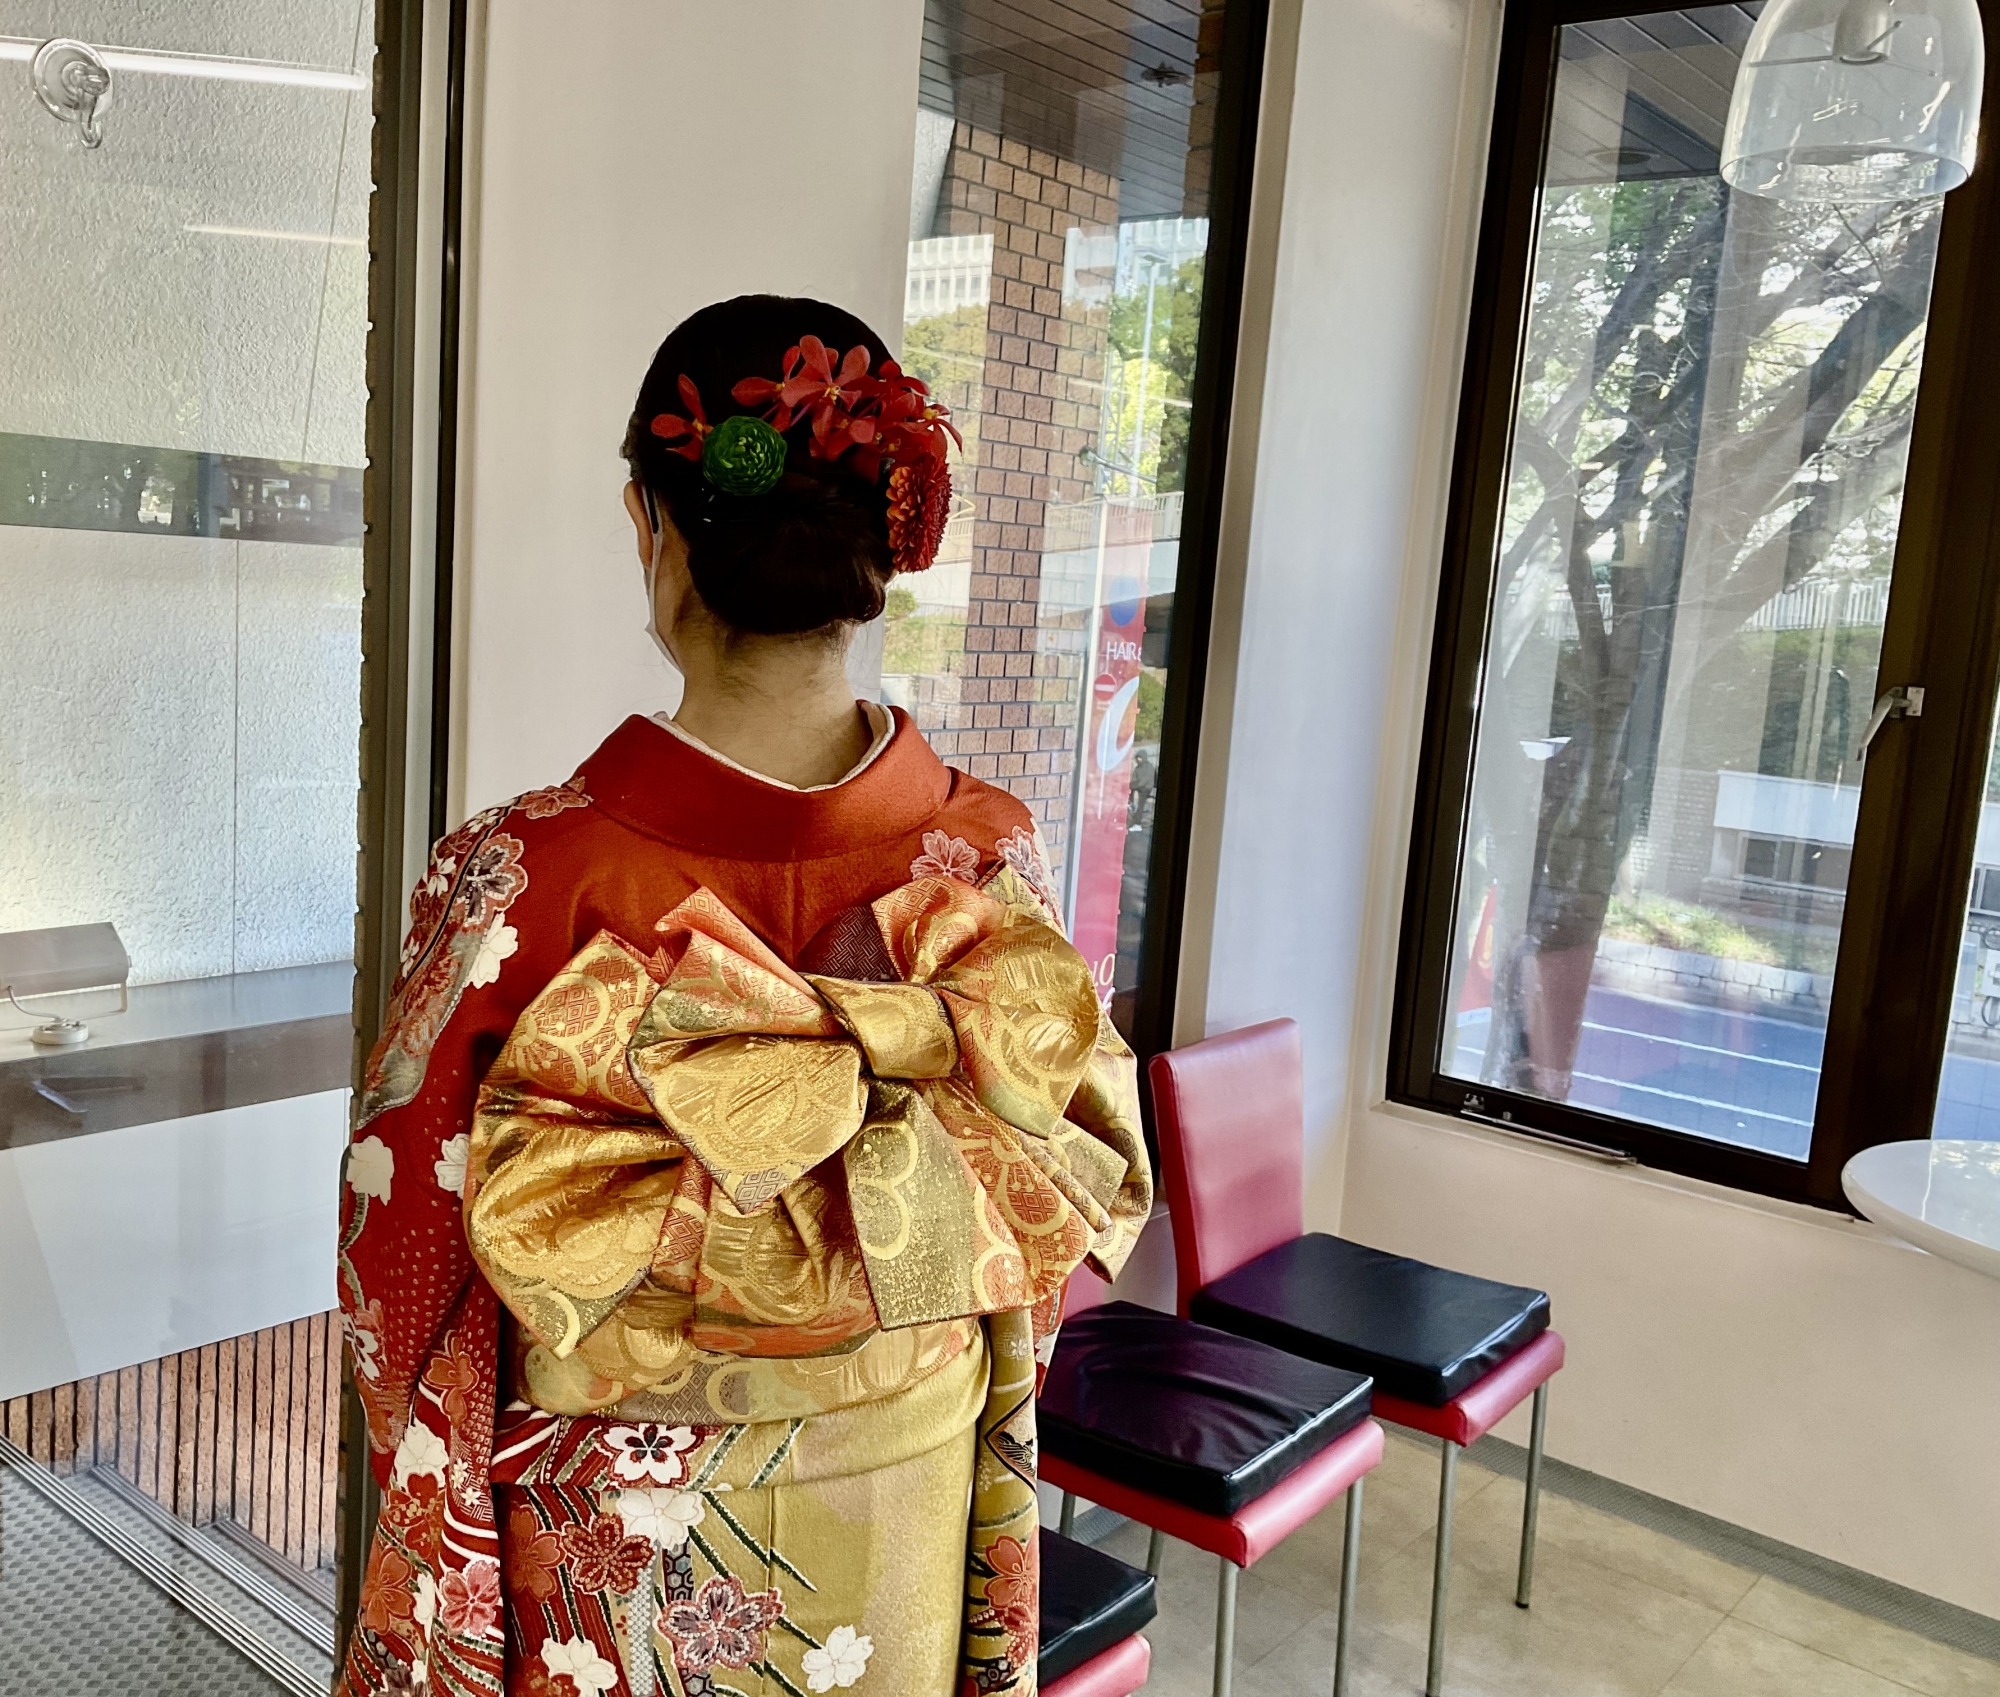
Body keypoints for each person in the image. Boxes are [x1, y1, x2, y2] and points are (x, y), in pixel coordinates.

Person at [337, 295, 1152, 1697]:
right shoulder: (989, 858)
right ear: (881, 549)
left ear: (653, 532)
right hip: (903, 1510)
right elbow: (1040, 1225)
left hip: (610, 1539)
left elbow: (400, 1257)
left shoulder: (524, 877)